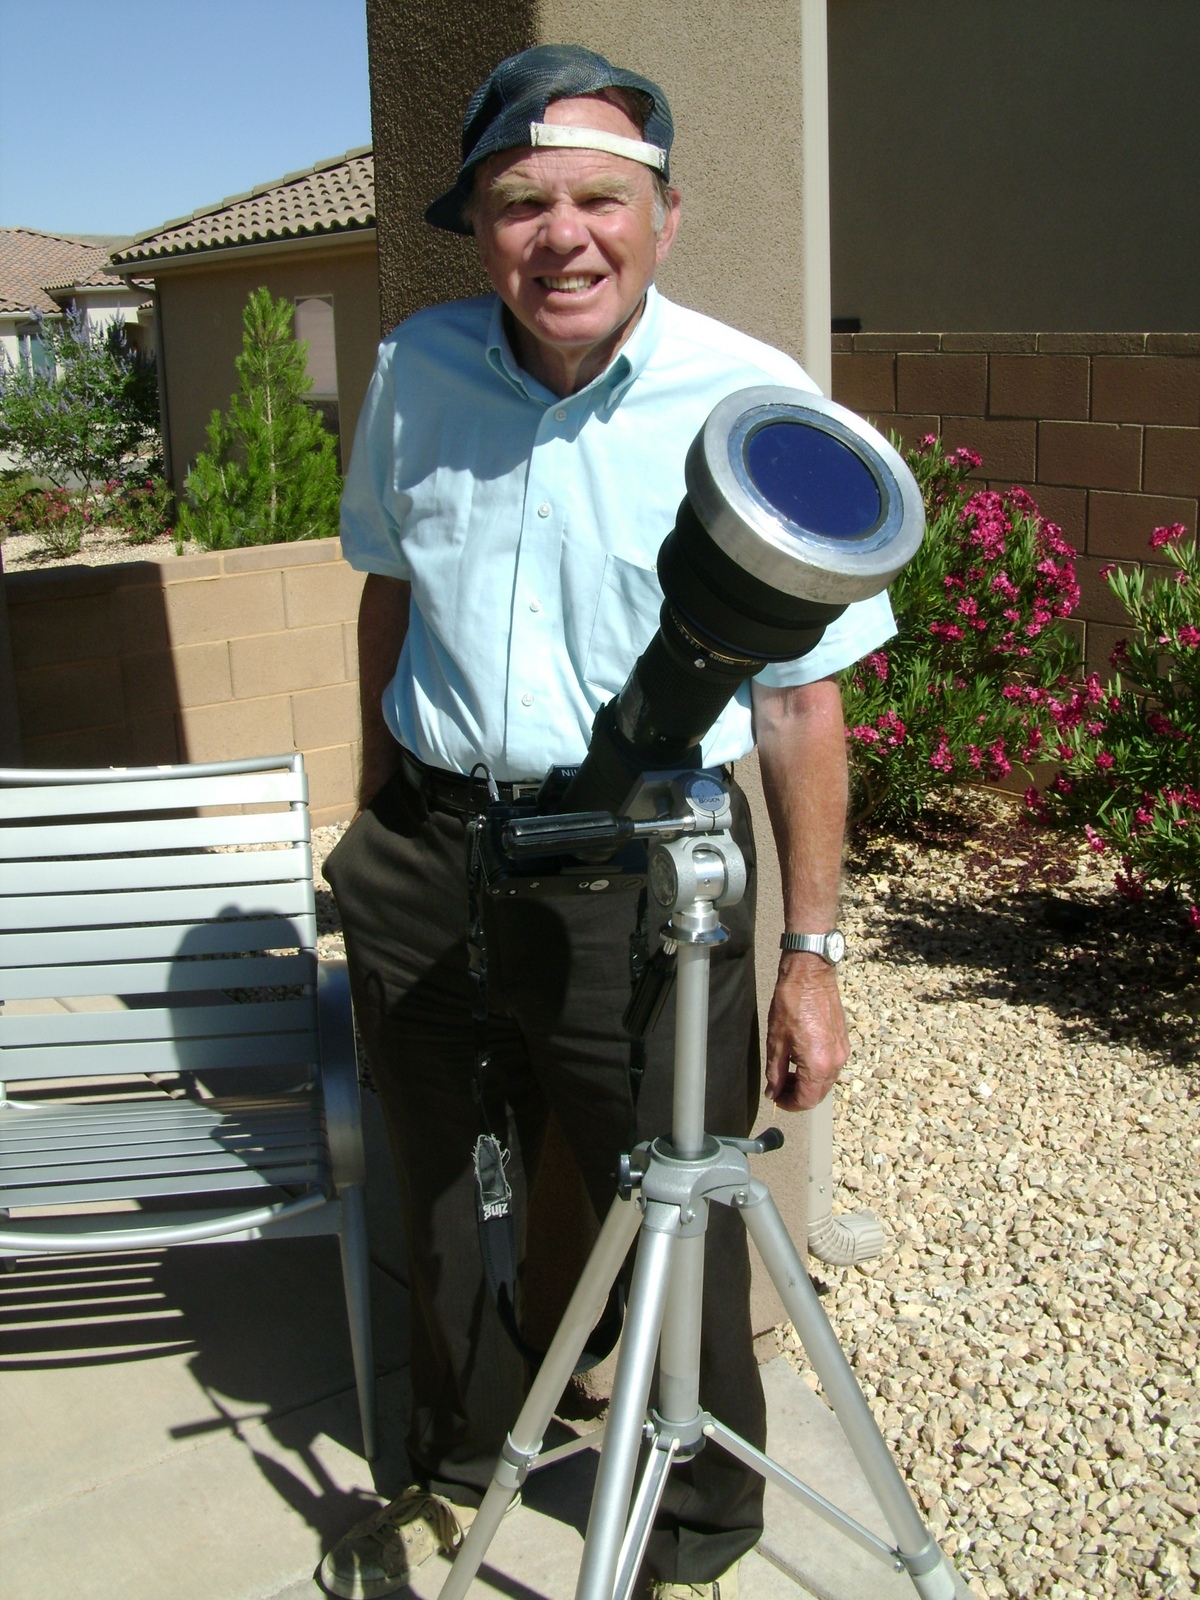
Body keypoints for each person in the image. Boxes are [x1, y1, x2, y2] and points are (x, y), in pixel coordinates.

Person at [319, 43, 895, 1600]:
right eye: (522, 202)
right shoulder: (416, 369)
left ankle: (693, 1515)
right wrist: (376, 819)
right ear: (479, 224)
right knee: (440, 1181)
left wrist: (814, 955)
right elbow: (390, 595)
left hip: (643, 876)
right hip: (431, 847)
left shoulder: (754, 403)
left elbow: (802, 705)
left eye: (599, 199)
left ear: (665, 218)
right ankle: (461, 1458)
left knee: (673, 1200)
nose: (561, 236)